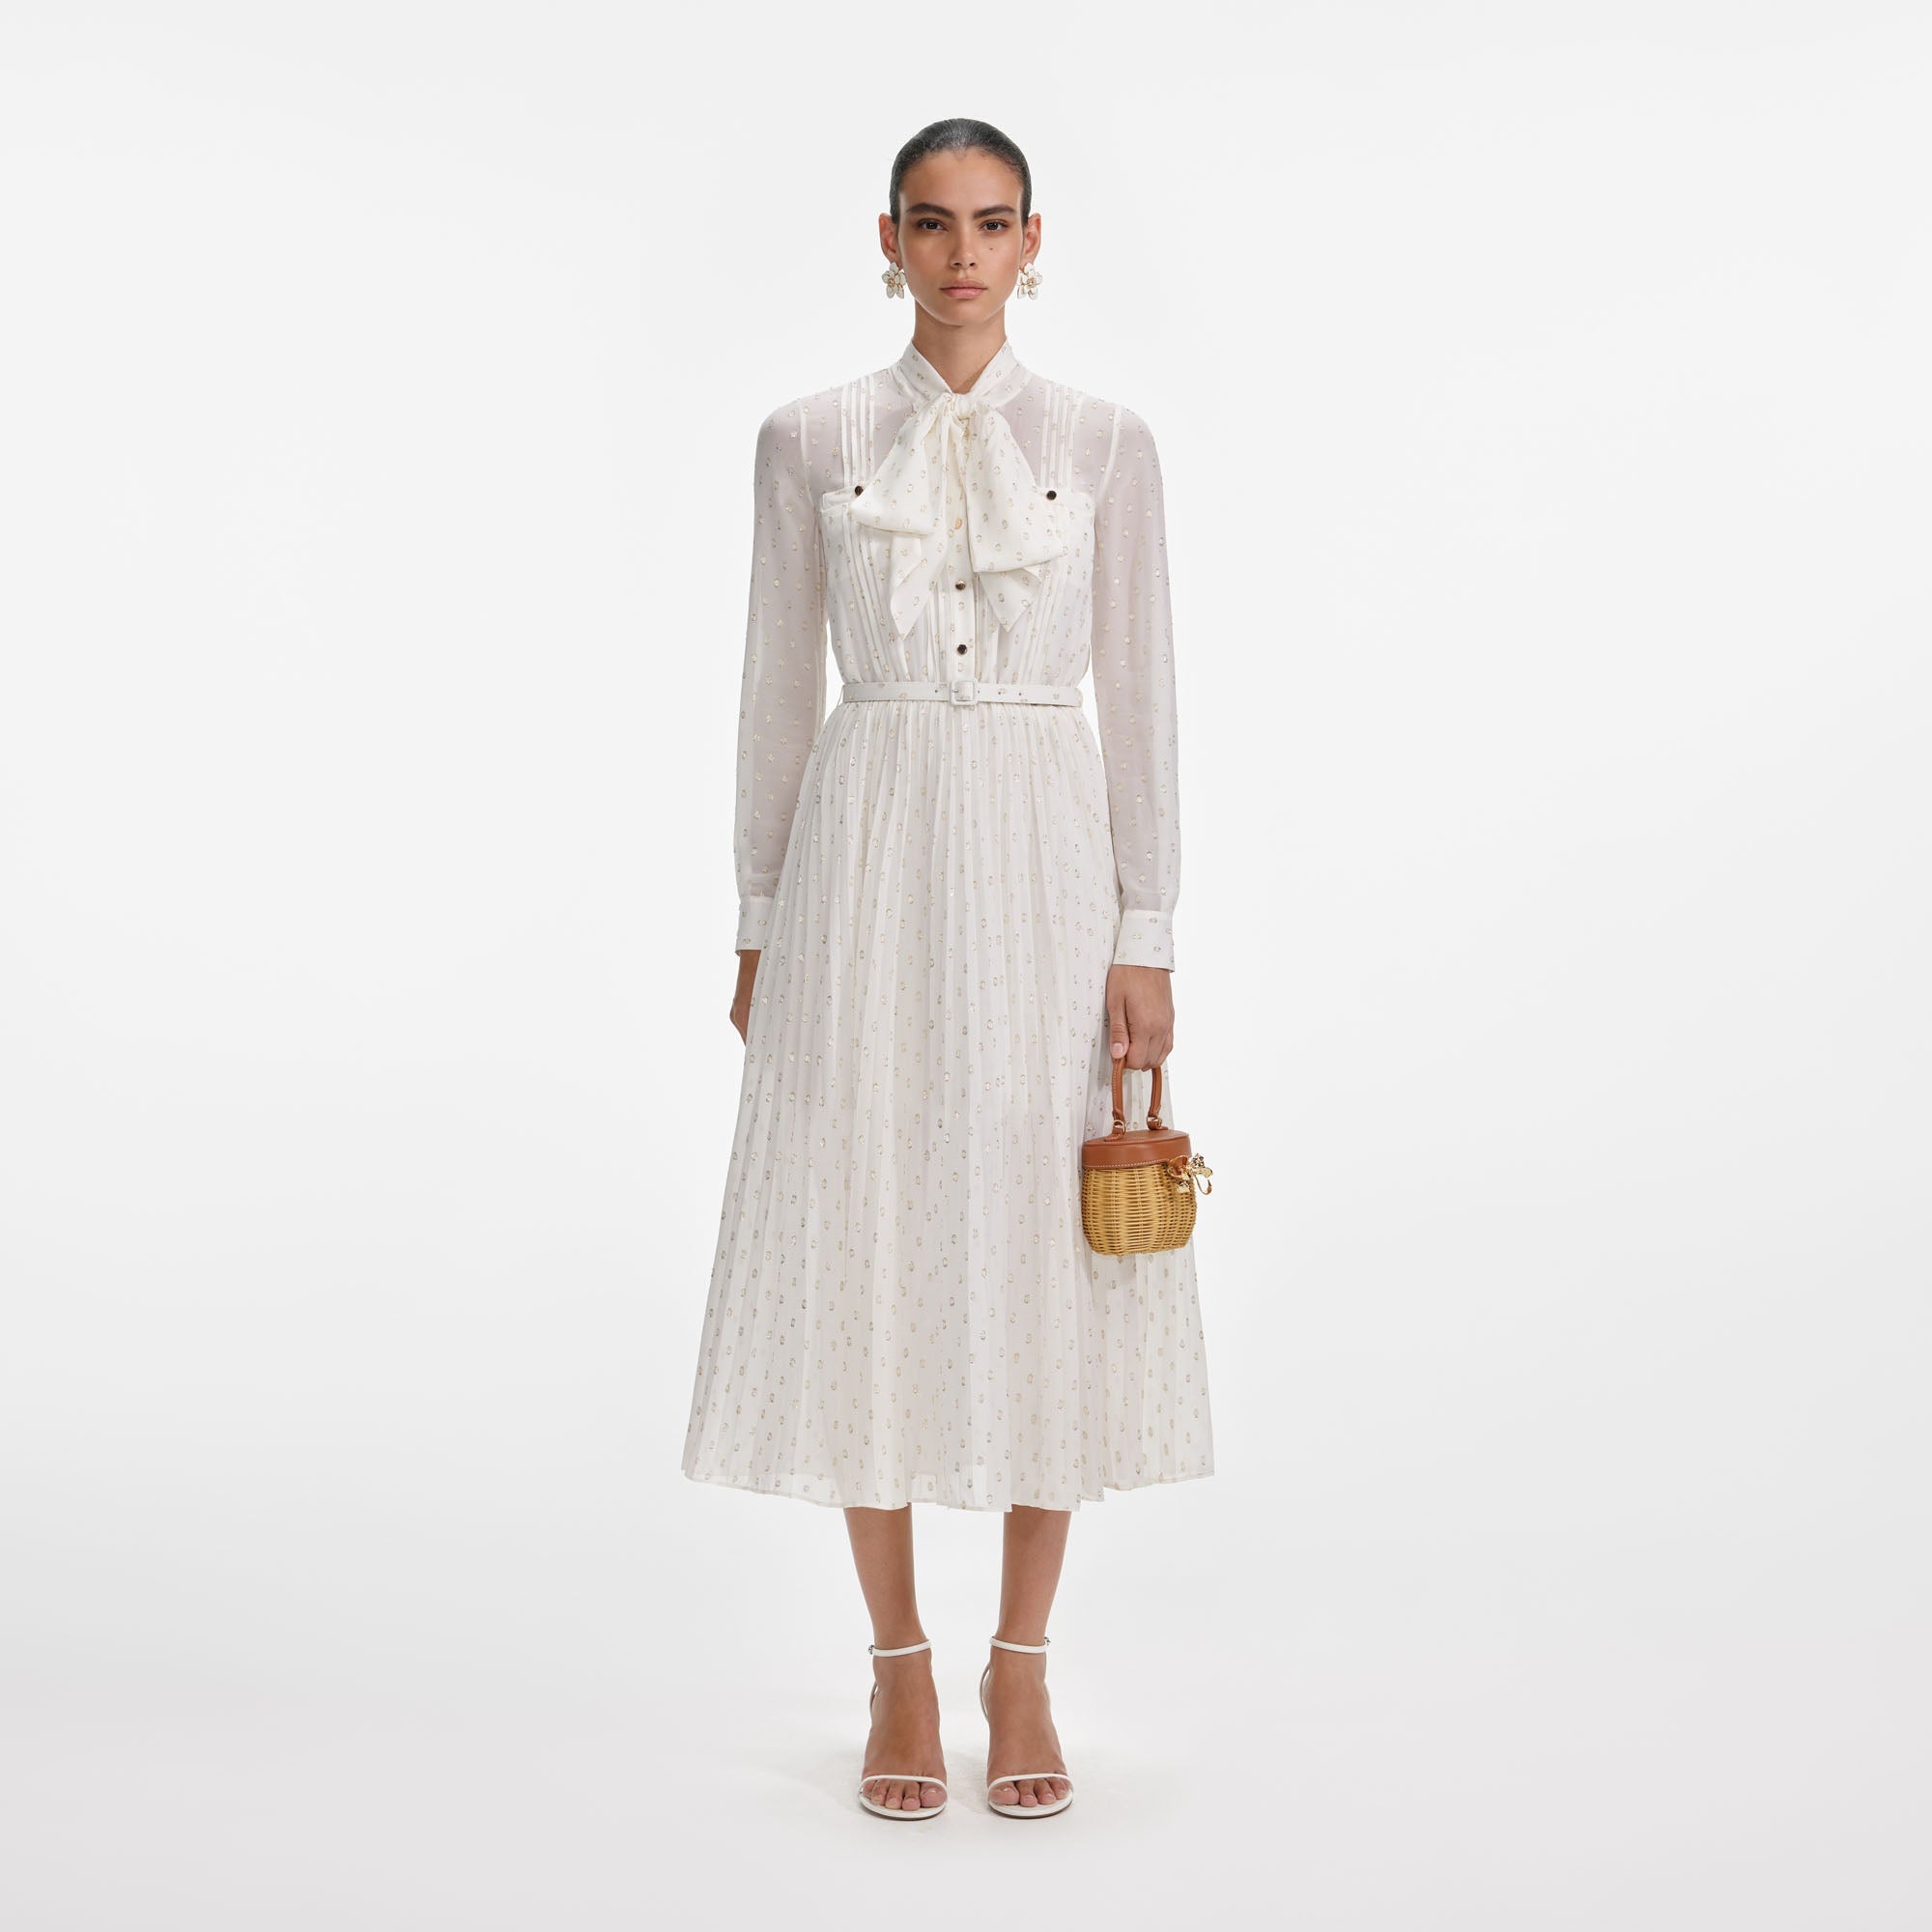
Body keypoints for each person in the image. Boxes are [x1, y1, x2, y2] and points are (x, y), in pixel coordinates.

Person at [681, 117, 1214, 1821]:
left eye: (992, 224)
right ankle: (900, 1666)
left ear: (1034, 241)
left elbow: (1144, 693)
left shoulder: (1107, 443)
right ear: (890, 239)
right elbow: (777, 688)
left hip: (1048, 859)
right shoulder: (809, 440)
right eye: (933, 224)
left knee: (1049, 1242)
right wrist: (760, 915)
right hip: (868, 857)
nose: (963, 254)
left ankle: (1022, 1663)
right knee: (872, 1233)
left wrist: (1148, 931)